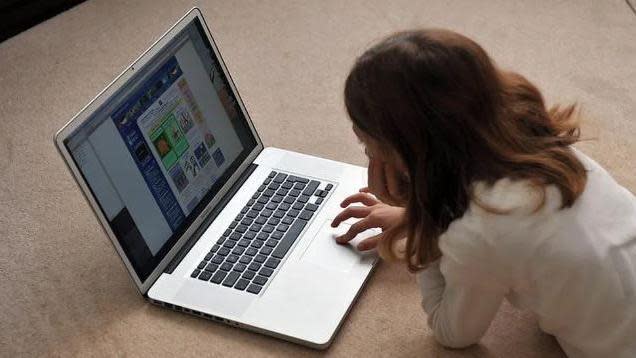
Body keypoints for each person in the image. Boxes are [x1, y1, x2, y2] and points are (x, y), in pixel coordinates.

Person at [331, 29, 636, 357]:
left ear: (409, 154)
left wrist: (426, 222)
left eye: (367, 146)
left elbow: (453, 332)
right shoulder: (539, 144)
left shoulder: (478, 234)